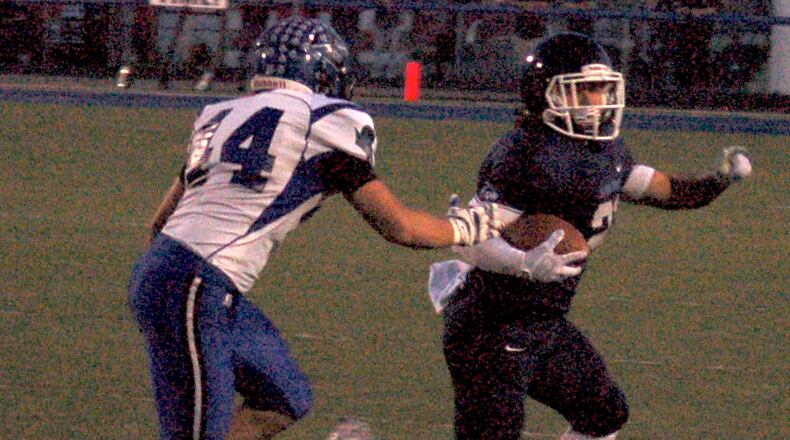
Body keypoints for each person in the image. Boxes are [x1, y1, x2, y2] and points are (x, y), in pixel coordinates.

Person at [127, 16, 581, 440]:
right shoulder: (325, 119)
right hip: (197, 284)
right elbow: (401, 227)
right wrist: (471, 226)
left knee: (284, 397)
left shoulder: (221, 113)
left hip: (180, 275)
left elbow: (160, 223)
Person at [429, 32, 753, 439]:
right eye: (583, 90)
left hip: (544, 322)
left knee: (604, 414)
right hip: (490, 327)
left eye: (600, 88)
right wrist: (522, 262)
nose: (597, 100)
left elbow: (667, 190)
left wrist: (718, 180)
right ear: (544, 94)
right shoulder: (524, 153)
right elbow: (469, 238)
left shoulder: (607, 152)